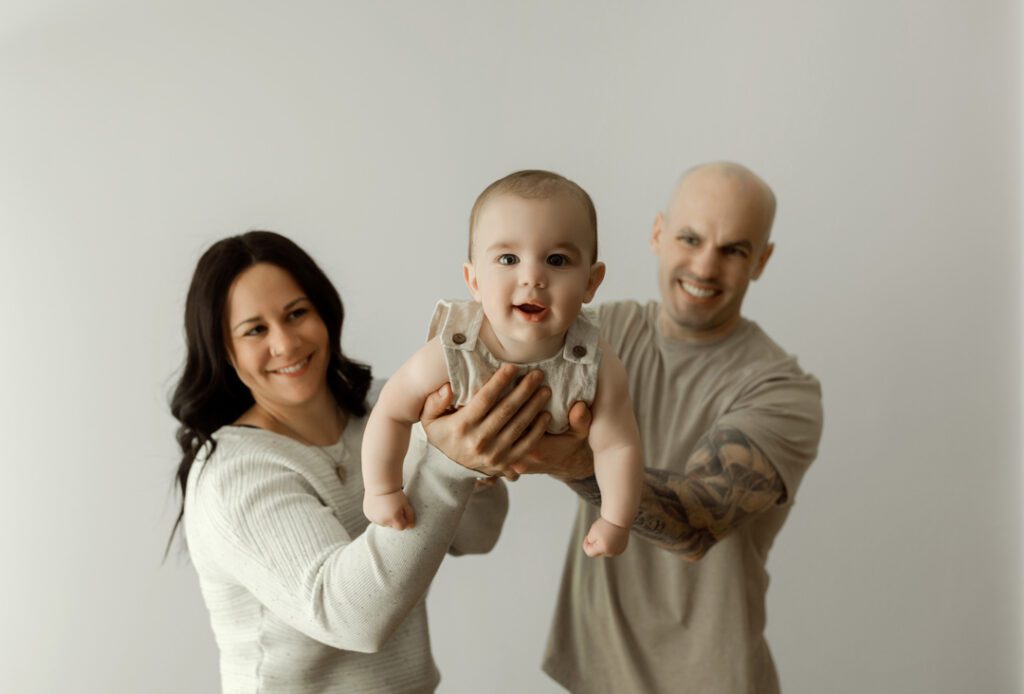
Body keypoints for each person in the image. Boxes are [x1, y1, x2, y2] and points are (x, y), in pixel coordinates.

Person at [424, 162, 824, 694]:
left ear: (762, 261)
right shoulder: (591, 339)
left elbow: (695, 524)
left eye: (733, 250)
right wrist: (457, 441)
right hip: (591, 672)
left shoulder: (782, 390)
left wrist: (571, 462)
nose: (705, 266)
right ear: (658, 234)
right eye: (690, 237)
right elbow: (477, 398)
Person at [167, 230, 544, 693]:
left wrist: (474, 463)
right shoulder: (235, 474)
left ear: (325, 312)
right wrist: (447, 463)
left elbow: (476, 536)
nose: (285, 343)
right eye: (255, 330)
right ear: (225, 350)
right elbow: (351, 618)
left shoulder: (384, 410)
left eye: (296, 313)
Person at [361, 170, 643, 557]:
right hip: (431, 473)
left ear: (591, 282)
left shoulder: (596, 361)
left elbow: (618, 446)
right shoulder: (454, 350)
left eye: (557, 260)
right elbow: (391, 413)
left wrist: (615, 520)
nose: (532, 277)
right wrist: (382, 489)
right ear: (473, 280)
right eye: (508, 258)